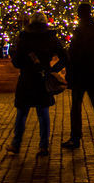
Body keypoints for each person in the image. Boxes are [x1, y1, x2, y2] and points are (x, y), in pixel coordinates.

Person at [9, 12, 66, 157]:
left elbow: (16, 59)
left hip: (26, 78)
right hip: (42, 78)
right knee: (43, 112)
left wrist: (23, 64)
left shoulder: (23, 37)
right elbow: (65, 56)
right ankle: (43, 146)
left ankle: (16, 144)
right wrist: (53, 70)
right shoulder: (50, 37)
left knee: (22, 112)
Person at [62, 3, 94, 153]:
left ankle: (75, 138)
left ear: (79, 14)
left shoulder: (80, 30)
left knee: (76, 107)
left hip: (80, 74)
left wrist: (69, 72)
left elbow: (73, 54)